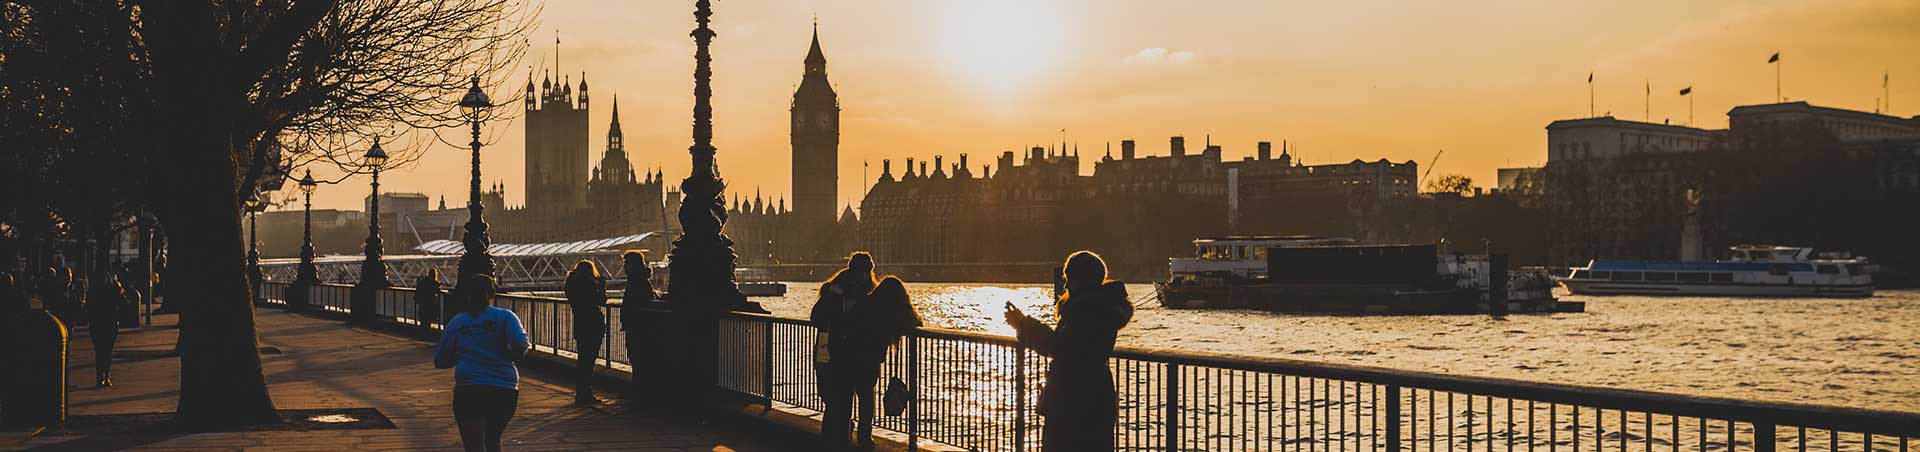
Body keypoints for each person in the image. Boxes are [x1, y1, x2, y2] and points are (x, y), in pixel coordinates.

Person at [1003, 251, 1134, 452]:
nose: (1065, 285)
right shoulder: (1102, 307)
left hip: (1071, 402)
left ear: (1079, 281)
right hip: (1095, 399)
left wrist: (1023, 324)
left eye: (1069, 279)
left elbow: (1059, 346)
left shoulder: (1086, 310)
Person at [434, 274, 528, 452]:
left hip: (470, 387)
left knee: (474, 446)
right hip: (505, 387)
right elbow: (520, 343)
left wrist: (462, 356)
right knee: (493, 440)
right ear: (492, 294)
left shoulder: (458, 322)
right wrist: (508, 354)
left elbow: (440, 360)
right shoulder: (506, 317)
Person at [835, 276, 922, 450]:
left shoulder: (864, 304)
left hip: (848, 355)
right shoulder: (892, 311)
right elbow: (916, 323)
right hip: (870, 360)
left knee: (845, 397)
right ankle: (864, 437)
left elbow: (846, 323)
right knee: (866, 399)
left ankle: (842, 433)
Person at [809, 252, 877, 450]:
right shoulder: (865, 294)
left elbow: (816, 318)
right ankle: (855, 437)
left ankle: (847, 436)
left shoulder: (840, 290)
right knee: (858, 398)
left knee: (851, 399)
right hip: (851, 354)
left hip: (847, 354)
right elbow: (817, 317)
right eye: (862, 271)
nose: (864, 275)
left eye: (866, 271)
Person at [563, 260, 607, 405]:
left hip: (580, 324)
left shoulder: (571, 285)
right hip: (593, 323)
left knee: (583, 359)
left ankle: (581, 393)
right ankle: (586, 393)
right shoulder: (590, 284)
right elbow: (602, 300)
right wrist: (602, 286)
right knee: (589, 360)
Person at [618, 250, 655, 395]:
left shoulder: (636, 281)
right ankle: (639, 392)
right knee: (638, 360)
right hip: (636, 326)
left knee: (638, 360)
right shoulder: (639, 280)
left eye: (627, 263)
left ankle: (639, 392)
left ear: (633, 265)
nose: (624, 267)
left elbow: (637, 304)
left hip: (637, 327)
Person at [85, 277, 124, 388]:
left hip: (97, 324)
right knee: (107, 351)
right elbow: (124, 304)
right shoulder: (112, 290)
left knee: (100, 351)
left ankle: (101, 377)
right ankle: (106, 376)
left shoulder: (93, 291)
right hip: (109, 323)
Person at [415, 269, 444, 335]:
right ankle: (426, 334)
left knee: (423, 320)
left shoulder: (423, 282)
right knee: (428, 320)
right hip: (430, 304)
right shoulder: (433, 283)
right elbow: (436, 290)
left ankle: (422, 334)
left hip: (422, 304)